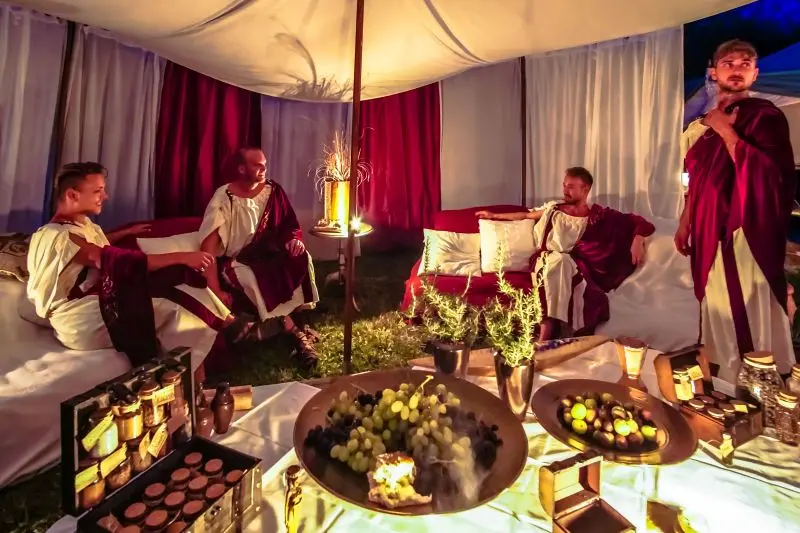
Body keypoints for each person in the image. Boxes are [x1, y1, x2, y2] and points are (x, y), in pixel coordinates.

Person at [27, 162, 262, 372]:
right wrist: (181, 256)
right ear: (72, 194)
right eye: (98, 191)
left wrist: (125, 233)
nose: (105, 196)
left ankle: (233, 325)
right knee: (170, 306)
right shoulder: (56, 236)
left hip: (90, 306)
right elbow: (107, 259)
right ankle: (194, 379)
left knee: (178, 279)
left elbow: (93, 243)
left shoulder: (78, 227)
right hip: (77, 319)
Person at [677, 40, 797, 380]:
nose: (737, 68)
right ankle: (723, 377)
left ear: (755, 74)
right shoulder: (698, 128)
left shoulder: (765, 116)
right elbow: (696, 181)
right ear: (714, 72)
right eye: (728, 63)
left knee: (744, 301)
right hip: (706, 228)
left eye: (745, 63)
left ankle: (759, 382)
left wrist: (725, 129)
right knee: (716, 301)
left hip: (745, 227)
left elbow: (769, 176)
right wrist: (685, 222)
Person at [477, 167, 654, 341]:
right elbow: (526, 215)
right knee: (557, 262)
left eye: (570, 186)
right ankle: (548, 327)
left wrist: (638, 239)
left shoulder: (596, 215)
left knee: (566, 267)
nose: (565, 190)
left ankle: (564, 330)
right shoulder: (553, 209)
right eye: (564, 185)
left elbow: (634, 221)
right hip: (545, 258)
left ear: (585, 189)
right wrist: (494, 216)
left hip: (572, 263)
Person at [199, 147, 320, 366]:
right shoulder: (224, 198)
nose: (264, 169)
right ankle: (288, 326)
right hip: (239, 259)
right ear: (241, 168)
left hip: (270, 252)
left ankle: (290, 318)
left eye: (264, 164)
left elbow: (289, 224)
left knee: (301, 257)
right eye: (257, 165)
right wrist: (215, 291)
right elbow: (208, 247)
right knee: (253, 278)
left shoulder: (273, 190)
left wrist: (294, 240)